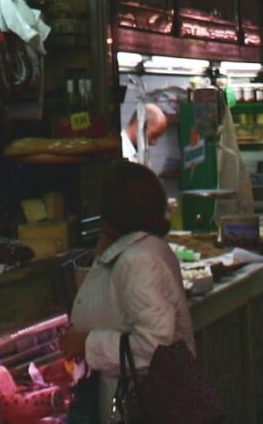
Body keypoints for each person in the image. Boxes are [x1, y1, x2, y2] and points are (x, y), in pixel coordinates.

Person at [61, 161, 198, 417]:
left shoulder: (139, 259)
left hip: (147, 408)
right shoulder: (136, 250)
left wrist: (87, 344)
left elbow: (156, 347)